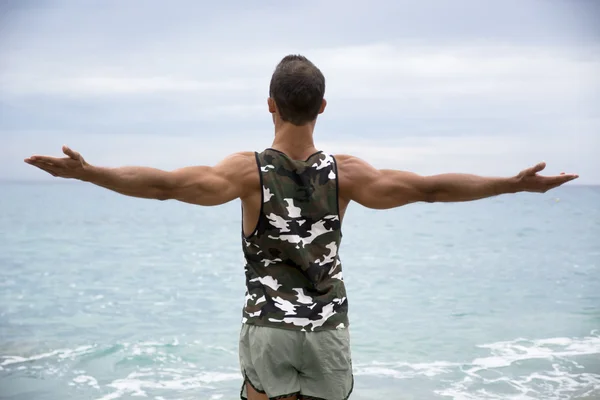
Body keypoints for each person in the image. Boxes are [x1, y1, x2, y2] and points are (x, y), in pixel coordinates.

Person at [24, 54, 578, 400]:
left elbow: (166, 185)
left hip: (268, 330)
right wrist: (511, 183)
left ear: (270, 104)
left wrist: (89, 173)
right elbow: (431, 188)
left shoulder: (246, 172)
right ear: (322, 107)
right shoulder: (349, 174)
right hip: (327, 332)